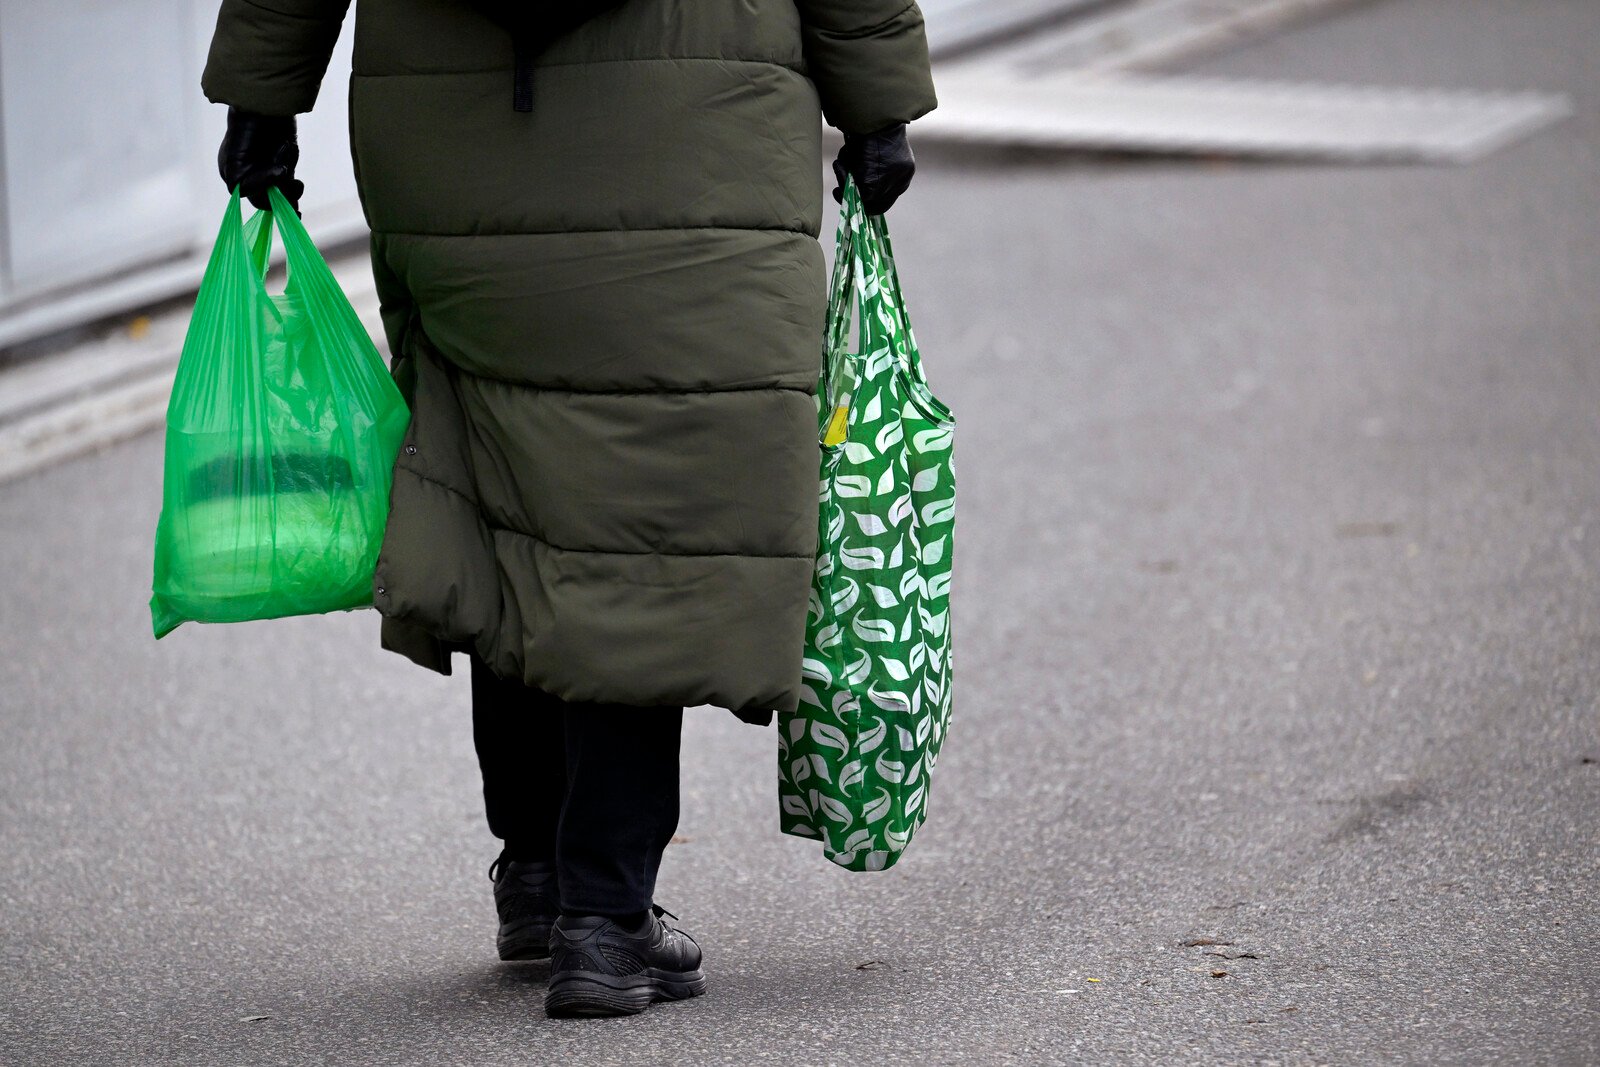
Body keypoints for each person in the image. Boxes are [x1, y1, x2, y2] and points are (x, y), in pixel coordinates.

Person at [204, 0, 936, 1019]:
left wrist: (262, 93)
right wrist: (880, 104)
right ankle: (604, 912)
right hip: (697, 131)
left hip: (455, 133)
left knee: (504, 485)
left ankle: (540, 870)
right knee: (652, 514)